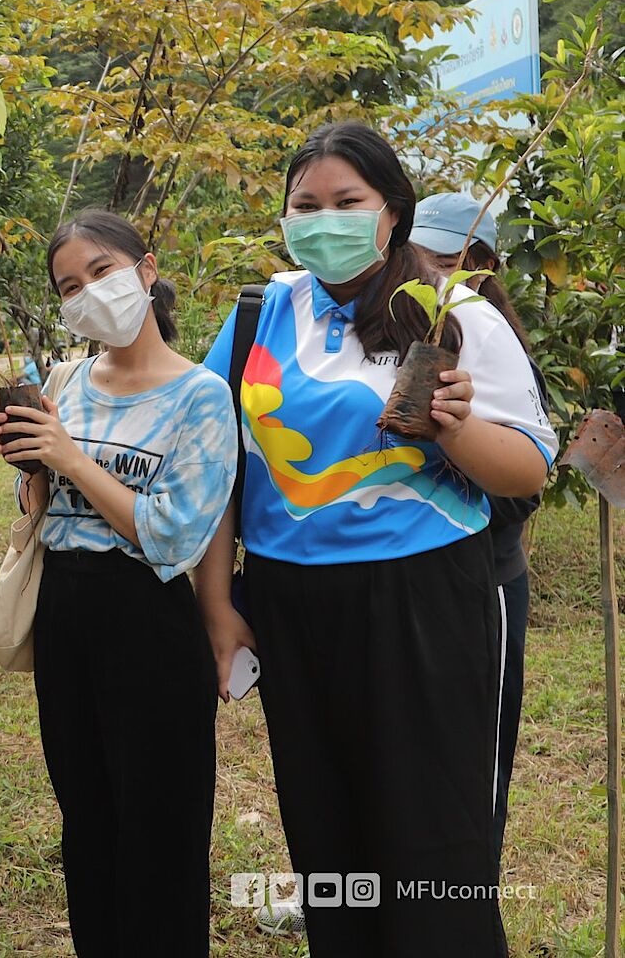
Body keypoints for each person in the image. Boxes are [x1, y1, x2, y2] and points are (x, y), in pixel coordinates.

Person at [194, 123, 555, 957]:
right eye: (305, 205)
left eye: (346, 203)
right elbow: (216, 463)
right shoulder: (262, 312)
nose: (325, 220)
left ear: (391, 213)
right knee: (328, 834)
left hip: (423, 600)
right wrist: (218, 605)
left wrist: (454, 430)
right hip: (290, 603)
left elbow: (527, 468)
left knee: (435, 842)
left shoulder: (453, 312)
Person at [0, 211, 234, 955]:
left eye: (101, 272)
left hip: (148, 620)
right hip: (66, 611)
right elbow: (42, 507)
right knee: (87, 817)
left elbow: (170, 534)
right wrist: (32, 467)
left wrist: (69, 459)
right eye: (71, 286)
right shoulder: (66, 380)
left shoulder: (201, 396)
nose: (90, 293)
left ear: (146, 269)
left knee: (160, 825)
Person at [409, 190, 547, 864]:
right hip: (395, 583)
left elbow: (524, 487)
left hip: (480, 580)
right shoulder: (390, 334)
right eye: (418, 256)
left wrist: (453, 443)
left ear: (483, 265)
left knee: (469, 767)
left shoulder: (497, 350)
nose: (432, 274)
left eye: (448, 260)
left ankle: (466, 899)